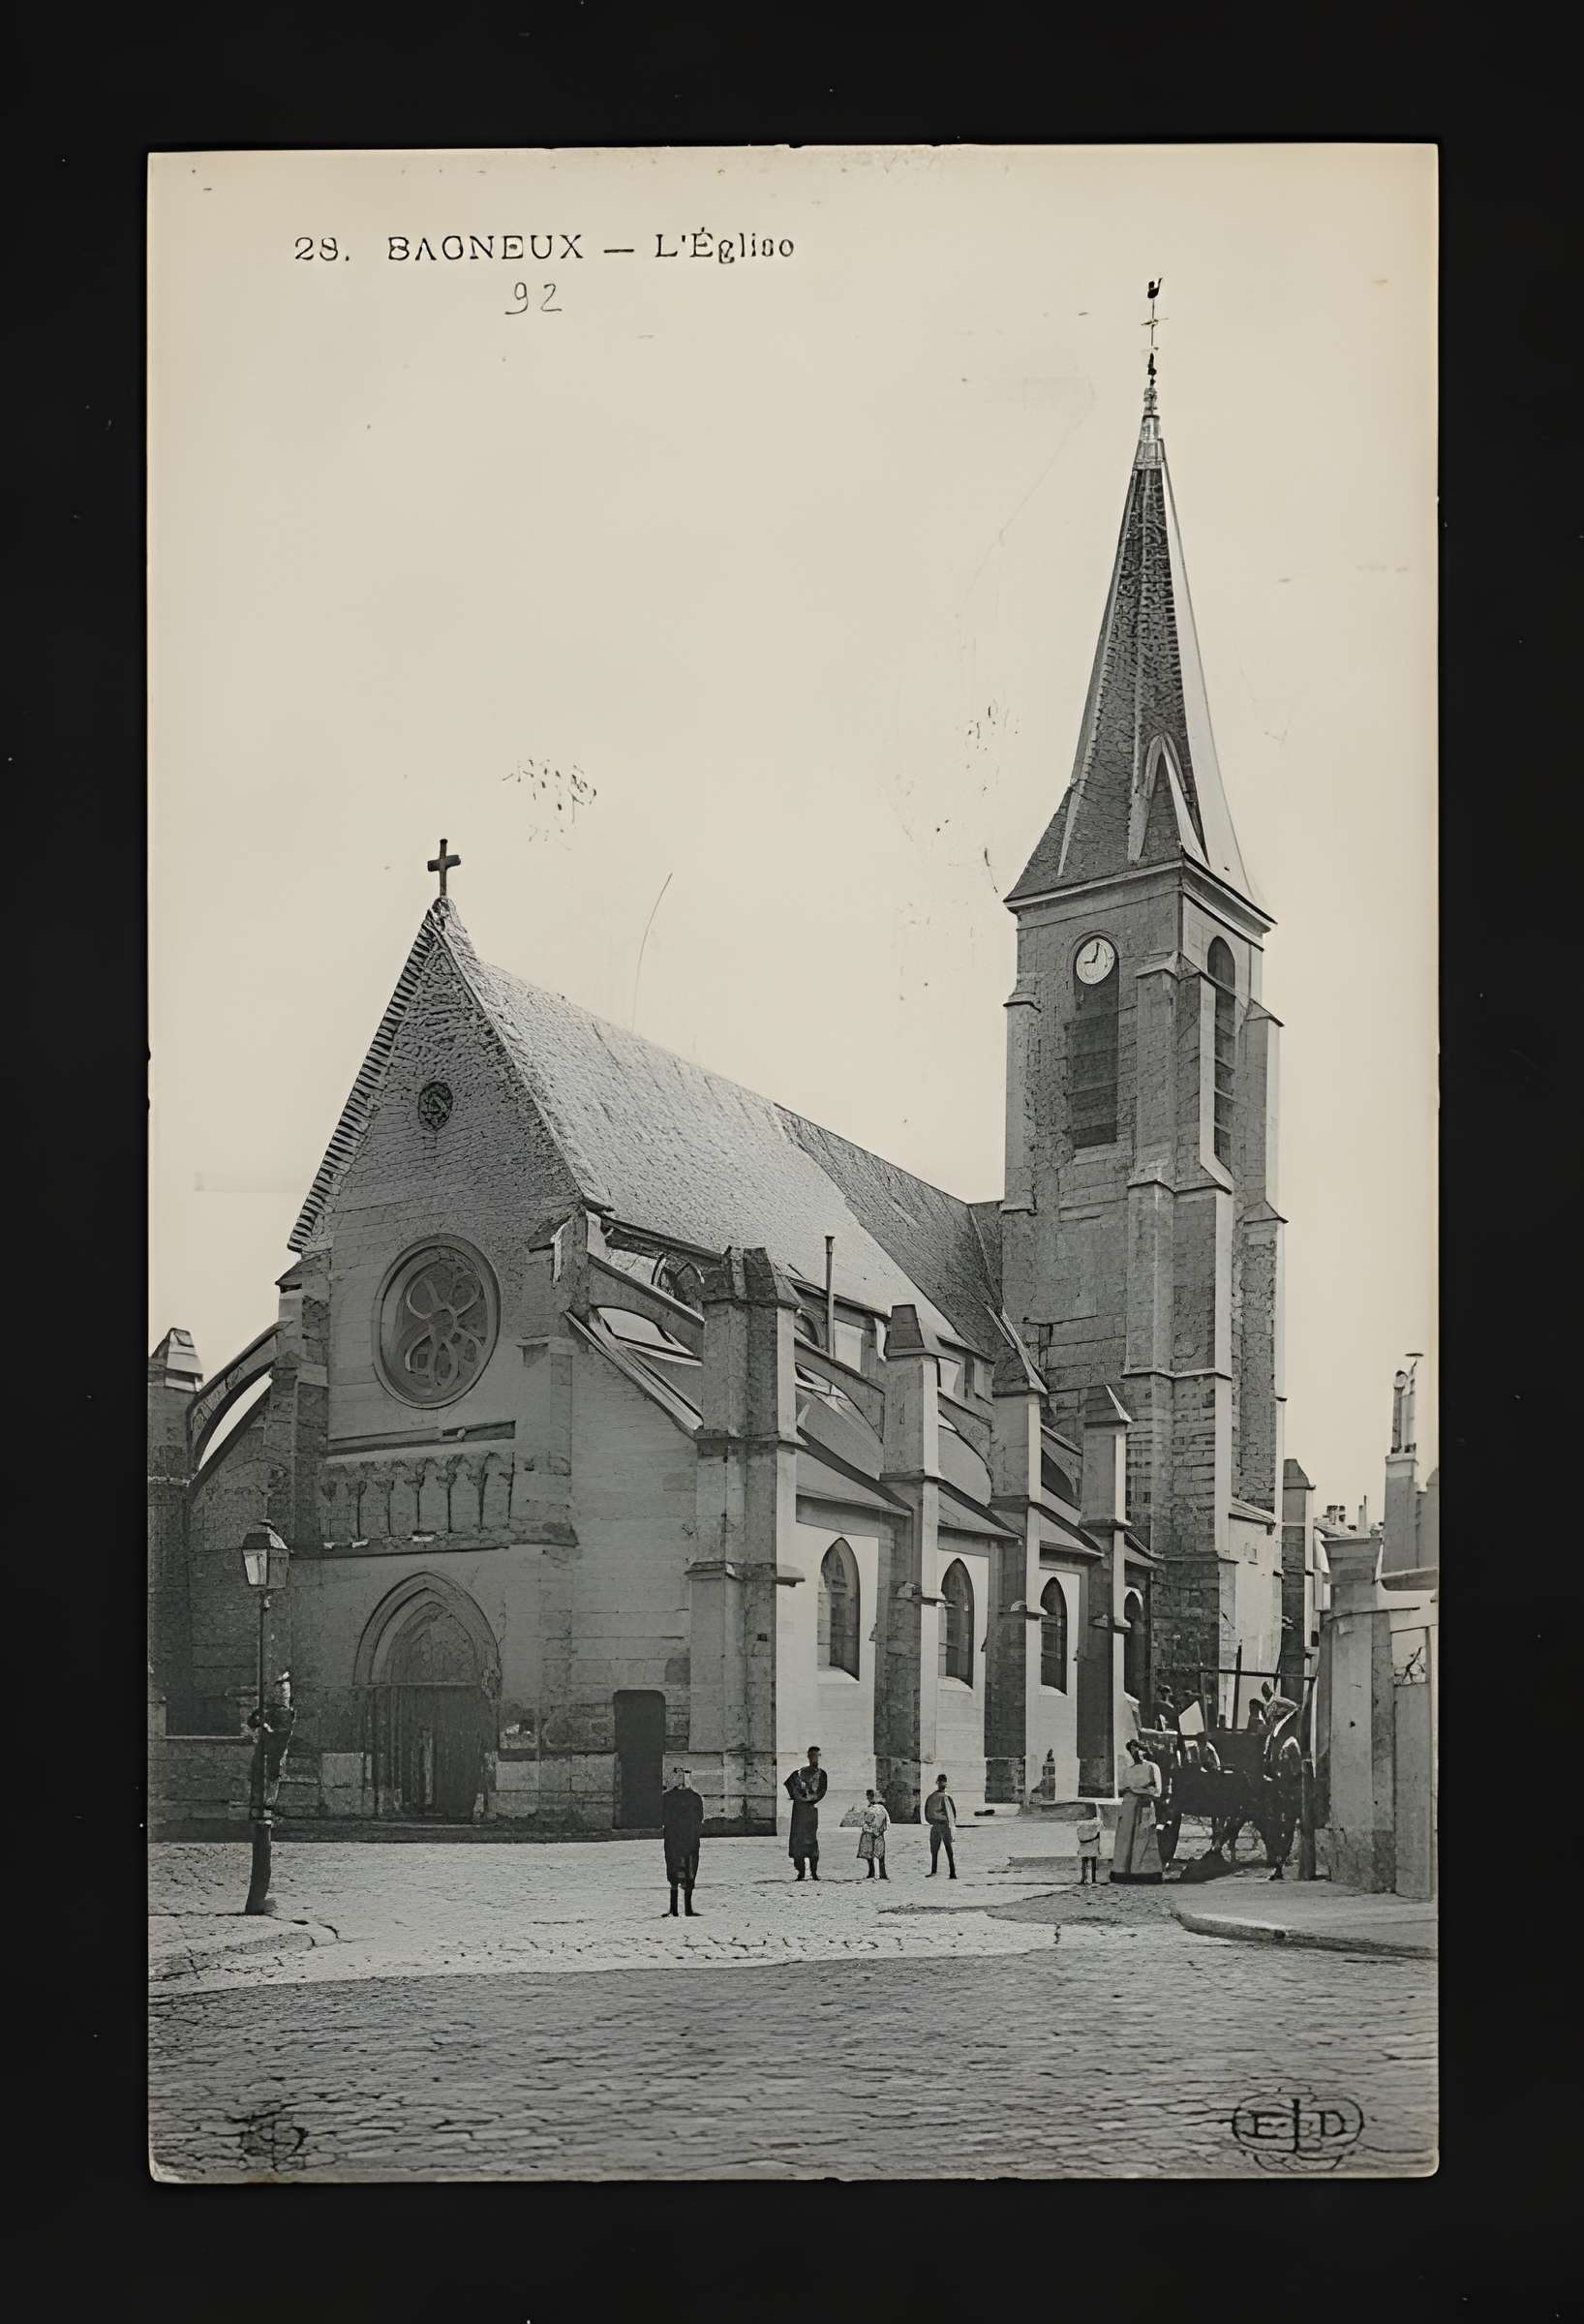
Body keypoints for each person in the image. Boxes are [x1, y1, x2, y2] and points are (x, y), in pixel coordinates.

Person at [1110, 1739, 1164, 1884]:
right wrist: (1130, 1791)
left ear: (1144, 1750)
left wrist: (1137, 1790)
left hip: (1144, 1805)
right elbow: (1121, 1789)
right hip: (1128, 1808)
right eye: (1132, 1751)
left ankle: (1147, 1873)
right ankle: (1123, 1873)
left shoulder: (1152, 1768)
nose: (1135, 1753)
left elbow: (1157, 1791)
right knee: (1126, 1839)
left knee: (1144, 1838)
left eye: (1138, 1749)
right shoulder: (1128, 1770)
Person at [661, 1764, 704, 1917]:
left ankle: (687, 1908)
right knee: (674, 1872)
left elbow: (700, 1817)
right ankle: (674, 1908)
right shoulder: (667, 1798)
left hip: (689, 1840)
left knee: (690, 1872)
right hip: (675, 1839)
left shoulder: (695, 1797)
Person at [785, 1746, 827, 1880]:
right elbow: (791, 1787)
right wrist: (800, 1797)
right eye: (812, 1756)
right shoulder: (799, 1774)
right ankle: (801, 1872)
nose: (815, 1758)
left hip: (810, 1812)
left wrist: (808, 1799)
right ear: (808, 1756)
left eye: (817, 1756)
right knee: (798, 1842)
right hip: (798, 1812)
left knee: (811, 1841)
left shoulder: (822, 1774)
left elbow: (821, 1792)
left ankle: (814, 1872)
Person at [925, 1773, 959, 1878]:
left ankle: (952, 1872)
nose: (942, 1784)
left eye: (943, 1782)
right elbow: (927, 1812)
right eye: (940, 1782)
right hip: (937, 1826)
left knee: (948, 1849)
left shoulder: (945, 1797)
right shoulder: (933, 1797)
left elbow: (951, 1815)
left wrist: (952, 1828)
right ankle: (934, 1871)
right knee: (934, 1849)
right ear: (938, 1783)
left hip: (944, 1826)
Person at [856, 1789, 890, 1880]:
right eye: (868, 1796)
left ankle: (882, 1874)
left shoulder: (880, 1808)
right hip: (869, 1833)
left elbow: (886, 1820)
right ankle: (872, 1873)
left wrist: (880, 1829)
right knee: (869, 1854)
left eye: (870, 1796)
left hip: (877, 1833)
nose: (869, 1798)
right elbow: (864, 1821)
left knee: (879, 1853)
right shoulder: (869, 1808)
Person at [1075, 1800, 1103, 1886]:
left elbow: (1079, 1831)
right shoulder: (1094, 1822)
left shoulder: (1090, 1822)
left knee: (1086, 1861)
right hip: (1090, 1842)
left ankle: (1087, 1879)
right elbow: (1099, 1831)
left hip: (1089, 1842)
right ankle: (1089, 1879)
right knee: (1088, 1861)